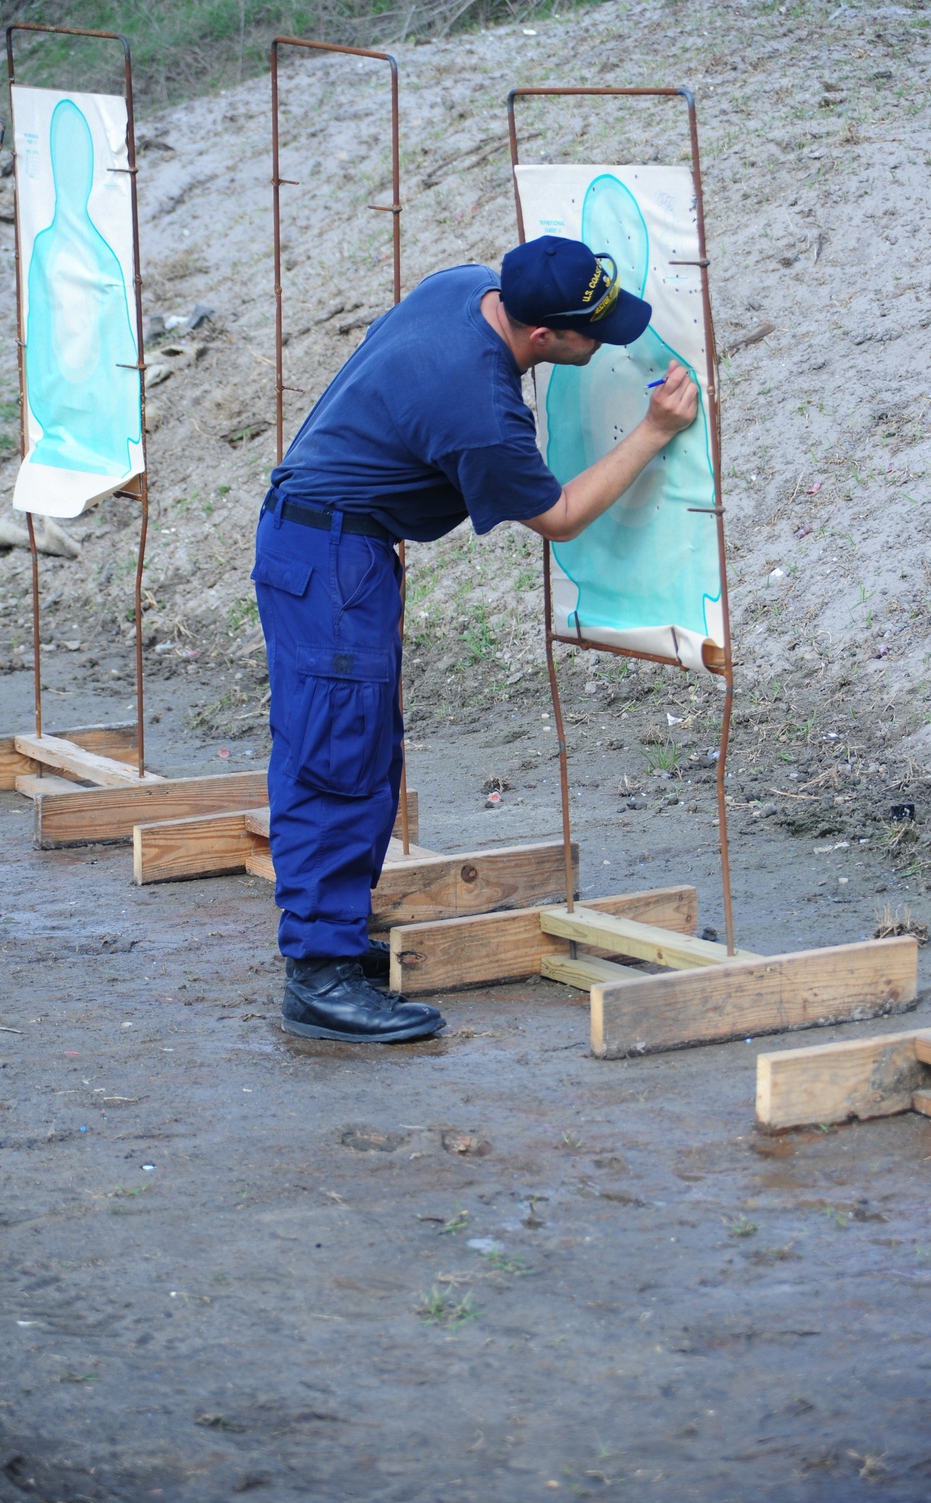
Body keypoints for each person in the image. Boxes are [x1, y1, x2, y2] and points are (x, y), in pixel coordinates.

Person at [253, 235, 698, 1044]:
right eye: (588, 333)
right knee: (336, 763)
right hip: (329, 556)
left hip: (334, 543)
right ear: (539, 339)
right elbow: (559, 517)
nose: (601, 343)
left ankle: (336, 942)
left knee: (361, 753)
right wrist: (654, 430)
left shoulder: (464, 285)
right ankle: (318, 978)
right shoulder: (481, 410)